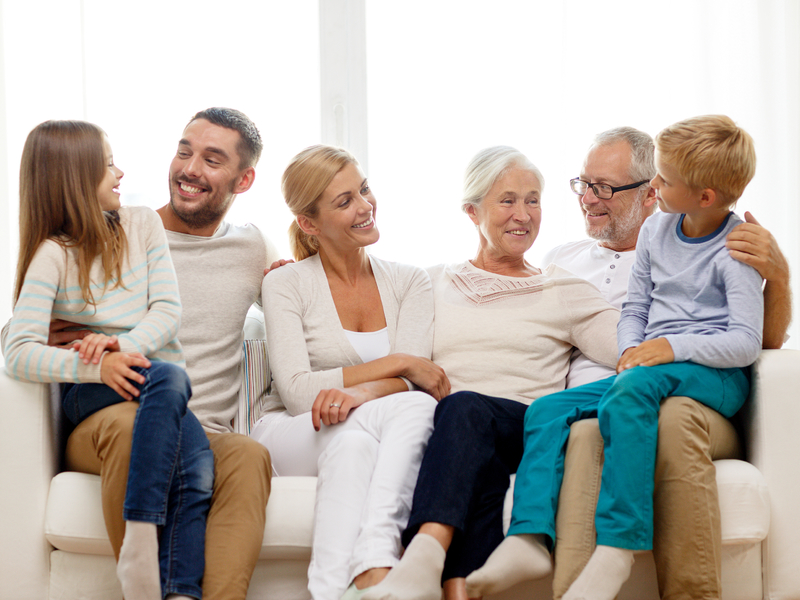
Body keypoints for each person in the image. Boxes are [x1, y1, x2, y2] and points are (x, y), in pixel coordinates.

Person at [467, 126, 789, 600]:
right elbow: (636, 309)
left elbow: (746, 342)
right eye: (584, 183)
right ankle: (527, 536)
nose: (588, 198)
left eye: (607, 188)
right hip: (642, 374)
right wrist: (632, 353)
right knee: (549, 410)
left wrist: (666, 351)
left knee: (631, 400)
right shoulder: (647, 234)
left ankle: (618, 547)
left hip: (707, 376)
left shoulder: (733, 247)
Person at [31, 108, 278, 600]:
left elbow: (308, 311)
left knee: (249, 455)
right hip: (111, 420)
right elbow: (20, 329)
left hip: (203, 431)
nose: (189, 169)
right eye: (184, 151)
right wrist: (77, 344)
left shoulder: (253, 249)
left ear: (244, 179)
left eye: (211, 159)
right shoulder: (116, 231)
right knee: (127, 425)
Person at [363, 146, 620, 600]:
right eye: (507, 200)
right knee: (473, 461)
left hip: (524, 428)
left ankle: (424, 554)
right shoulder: (430, 281)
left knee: (464, 408)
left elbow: (631, 348)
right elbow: (371, 330)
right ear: (472, 210)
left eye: (533, 199)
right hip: (451, 435)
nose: (523, 214)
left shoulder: (561, 288)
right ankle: (459, 592)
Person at [4, 120, 212, 600]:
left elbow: (168, 311)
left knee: (197, 466)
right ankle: (140, 535)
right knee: (170, 377)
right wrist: (98, 366)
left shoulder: (143, 225)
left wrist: (122, 347)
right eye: (108, 164)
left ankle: (179, 591)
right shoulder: (53, 255)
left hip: (152, 381)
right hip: (95, 392)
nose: (120, 173)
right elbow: (18, 349)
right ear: (76, 179)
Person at [250, 145, 448, 600]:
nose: (365, 206)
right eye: (344, 202)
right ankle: (377, 556)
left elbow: (419, 376)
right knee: (415, 406)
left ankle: (335, 591)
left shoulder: (409, 280)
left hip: (357, 429)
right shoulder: (285, 283)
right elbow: (299, 394)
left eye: (363, 189)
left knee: (355, 444)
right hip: (290, 431)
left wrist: (361, 392)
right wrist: (399, 363)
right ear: (309, 224)